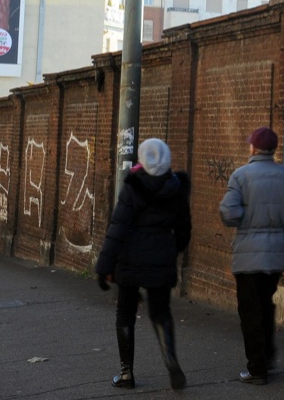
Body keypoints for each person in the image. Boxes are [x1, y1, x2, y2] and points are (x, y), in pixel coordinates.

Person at [95, 139, 192, 390]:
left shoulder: (132, 187)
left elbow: (118, 228)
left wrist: (104, 266)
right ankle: (170, 360)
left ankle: (127, 374)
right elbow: (184, 229)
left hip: (129, 260)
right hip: (161, 260)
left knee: (125, 313)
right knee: (160, 313)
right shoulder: (176, 188)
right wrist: (172, 249)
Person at [220, 126, 284, 386]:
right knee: (264, 303)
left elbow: (229, 214)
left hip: (248, 257)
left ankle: (257, 369)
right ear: (273, 150)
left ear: (252, 148)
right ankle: (268, 355)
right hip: (275, 257)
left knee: (250, 311)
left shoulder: (240, 177)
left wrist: (247, 217)